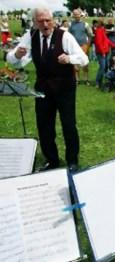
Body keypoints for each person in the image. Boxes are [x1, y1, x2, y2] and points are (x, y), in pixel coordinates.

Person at [7, 8, 89, 172]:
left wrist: (69, 58)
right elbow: (15, 61)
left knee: (68, 124)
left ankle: (72, 161)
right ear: (35, 22)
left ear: (53, 20)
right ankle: (51, 160)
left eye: (48, 20)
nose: (45, 25)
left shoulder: (64, 35)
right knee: (44, 125)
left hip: (64, 87)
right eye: (41, 21)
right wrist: (16, 55)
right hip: (43, 88)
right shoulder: (30, 36)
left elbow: (84, 58)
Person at [69, 9, 93, 85]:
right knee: (75, 63)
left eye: (77, 14)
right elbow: (68, 36)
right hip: (74, 47)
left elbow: (90, 35)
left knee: (85, 63)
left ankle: (86, 79)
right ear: (73, 15)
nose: (76, 16)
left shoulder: (85, 24)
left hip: (83, 45)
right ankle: (77, 79)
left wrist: (88, 45)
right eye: (75, 14)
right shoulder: (70, 24)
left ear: (80, 15)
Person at [94, 20, 115, 89]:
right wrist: (103, 52)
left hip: (106, 51)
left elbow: (106, 40)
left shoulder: (102, 30)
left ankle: (103, 81)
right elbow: (98, 42)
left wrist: (114, 45)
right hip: (101, 52)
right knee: (102, 67)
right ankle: (97, 82)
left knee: (106, 66)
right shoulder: (98, 31)